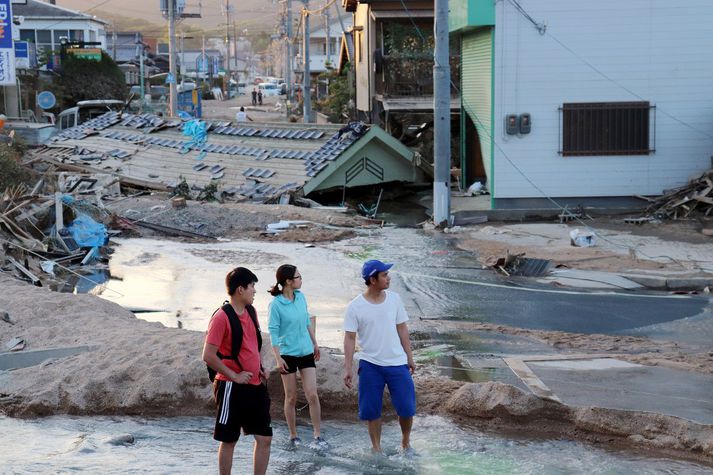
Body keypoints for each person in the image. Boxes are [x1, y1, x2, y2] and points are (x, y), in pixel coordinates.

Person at [203, 267, 272, 475]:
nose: (254, 291)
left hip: (255, 384)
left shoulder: (251, 311)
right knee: (229, 440)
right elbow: (208, 355)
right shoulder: (221, 317)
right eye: (252, 286)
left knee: (265, 438)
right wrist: (234, 376)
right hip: (230, 386)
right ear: (240, 289)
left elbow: (253, 344)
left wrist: (260, 366)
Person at [343, 260, 416, 456]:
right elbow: (350, 338)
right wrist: (348, 368)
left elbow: (402, 328)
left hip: (397, 362)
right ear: (372, 280)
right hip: (370, 364)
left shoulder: (395, 299)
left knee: (407, 408)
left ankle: (406, 444)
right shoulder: (355, 307)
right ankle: (376, 449)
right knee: (371, 411)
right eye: (384, 275)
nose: (388, 277)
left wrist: (409, 357)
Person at [268, 264, 329, 450]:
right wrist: (278, 358)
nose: (301, 279)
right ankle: (294, 436)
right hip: (287, 354)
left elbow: (306, 320)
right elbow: (273, 332)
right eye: (298, 276)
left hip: (306, 352)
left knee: (312, 393)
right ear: (288, 281)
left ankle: (317, 435)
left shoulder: (301, 297)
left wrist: (315, 343)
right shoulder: (276, 304)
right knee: (291, 397)